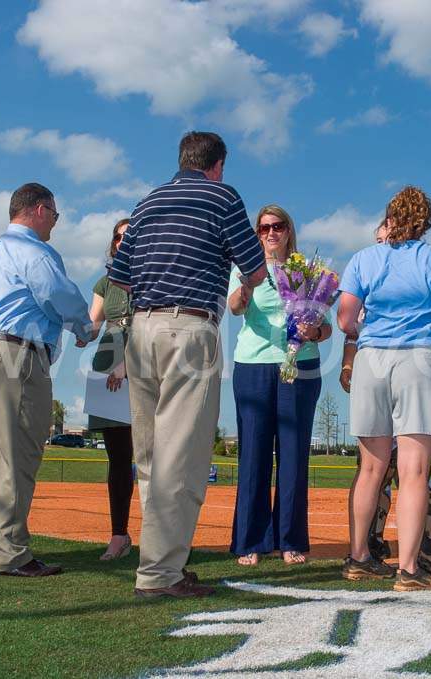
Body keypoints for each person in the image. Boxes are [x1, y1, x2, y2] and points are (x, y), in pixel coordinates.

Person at [110, 131, 266, 598]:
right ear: (217, 164)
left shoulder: (146, 202)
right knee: (182, 455)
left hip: (141, 329)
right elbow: (255, 270)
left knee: (150, 455)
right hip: (190, 328)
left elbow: (119, 279)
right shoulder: (222, 196)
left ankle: (158, 560)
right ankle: (160, 573)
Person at [337, 186, 431, 591]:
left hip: (372, 359)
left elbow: (345, 320)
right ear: (426, 222)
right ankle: (409, 569)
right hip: (418, 360)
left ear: (390, 219)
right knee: (414, 471)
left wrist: (374, 331)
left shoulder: (364, 258)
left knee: (371, 469)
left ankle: (359, 557)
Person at [0, 182, 96, 577]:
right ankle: (10, 552)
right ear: (40, 210)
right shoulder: (34, 251)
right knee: (18, 455)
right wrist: (83, 326)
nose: (55, 222)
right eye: (54, 214)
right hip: (16, 355)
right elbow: (57, 293)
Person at [227, 205, 330, 567]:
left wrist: (313, 331)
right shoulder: (244, 269)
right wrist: (245, 287)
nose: (271, 233)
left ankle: (290, 539)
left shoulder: (304, 270)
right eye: (264, 227)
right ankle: (251, 540)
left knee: (293, 454)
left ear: (289, 230)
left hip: (300, 366)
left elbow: (325, 327)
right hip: (253, 366)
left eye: (278, 226)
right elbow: (236, 309)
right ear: (257, 233)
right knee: (253, 453)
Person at [340, 222, 431, 577]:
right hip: (402, 369)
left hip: (388, 369)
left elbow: (346, 322)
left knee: (413, 476)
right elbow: (351, 334)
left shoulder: (389, 280)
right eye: (380, 240)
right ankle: (374, 553)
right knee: (382, 473)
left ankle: (421, 552)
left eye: (390, 239)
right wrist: (347, 363)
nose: (385, 245)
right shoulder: (377, 285)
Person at [87, 218, 135, 561]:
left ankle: (165, 538)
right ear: (113, 243)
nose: (124, 241)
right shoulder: (106, 282)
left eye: (130, 235)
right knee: (118, 459)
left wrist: (127, 363)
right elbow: (93, 324)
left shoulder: (150, 277)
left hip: (142, 363)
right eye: (119, 237)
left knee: (152, 455)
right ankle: (119, 535)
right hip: (107, 366)